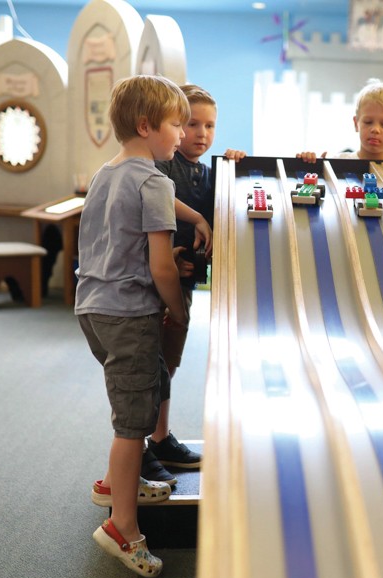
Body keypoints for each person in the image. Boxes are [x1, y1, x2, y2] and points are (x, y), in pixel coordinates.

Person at [75, 74, 192, 577]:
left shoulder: (109, 171)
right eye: (175, 125)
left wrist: (198, 218)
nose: (182, 136)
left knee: (138, 390)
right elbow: (163, 268)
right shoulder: (155, 181)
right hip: (130, 312)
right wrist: (180, 312)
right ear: (147, 126)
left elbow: (149, 202)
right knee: (132, 422)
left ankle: (113, 481)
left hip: (93, 308)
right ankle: (123, 525)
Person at [141, 84, 246, 485]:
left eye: (210, 126)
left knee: (169, 361)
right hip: (155, 279)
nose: (201, 134)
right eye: (190, 124)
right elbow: (161, 200)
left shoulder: (205, 171)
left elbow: (221, 206)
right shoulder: (163, 165)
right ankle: (141, 442)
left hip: (183, 280)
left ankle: (161, 437)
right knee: (148, 364)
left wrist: (234, 162)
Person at [297, 79, 383, 217]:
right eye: (368, 122)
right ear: (356, 123)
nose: (375, 129)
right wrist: (309, 164)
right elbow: (311, 193)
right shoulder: (337, 163)